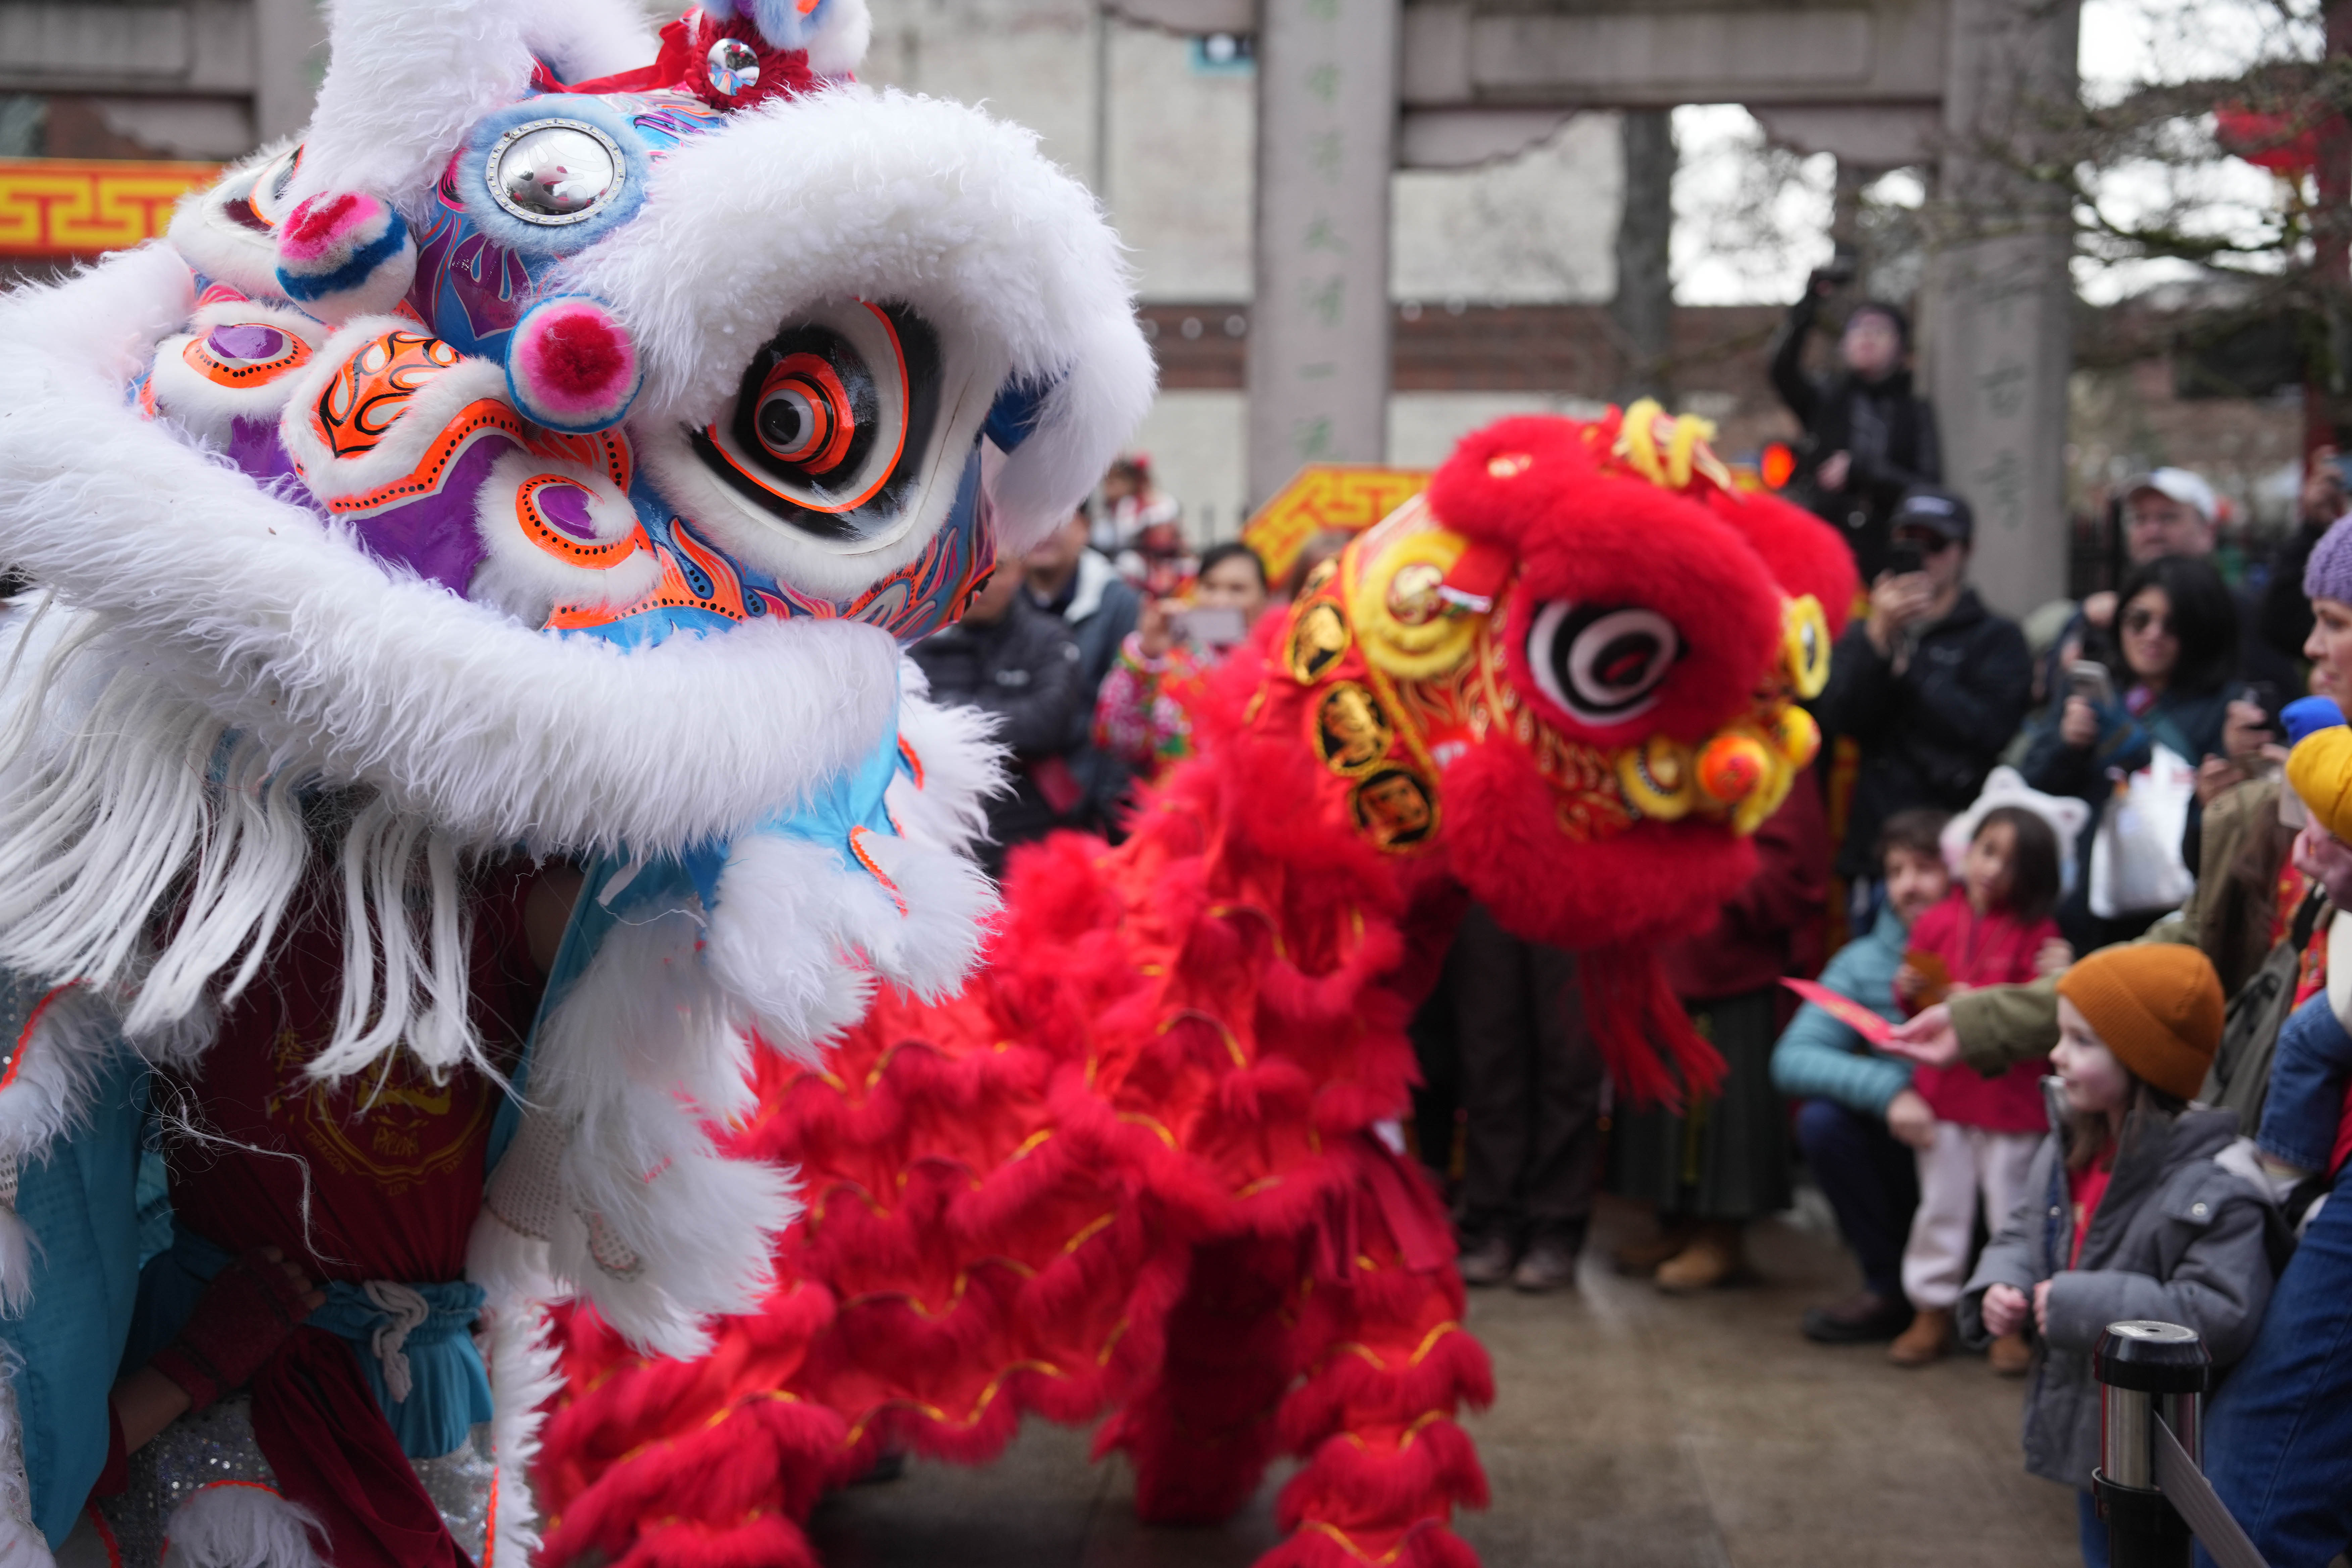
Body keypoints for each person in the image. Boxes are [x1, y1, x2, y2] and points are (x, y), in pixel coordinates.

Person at [1956, 944, 2273, 1568]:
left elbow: (2218, 1312)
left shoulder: (2217, 1186)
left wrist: (2073, 1303)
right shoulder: (2073, 1142)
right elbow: (2026, 1229)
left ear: (2142, 1059)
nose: (2055, 1054)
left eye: (2080, 1041)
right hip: (2095, 1425)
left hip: (2163, 1443)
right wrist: (2003, 1281)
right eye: (2060, 1035)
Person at [1610, 780, 1829, 1292]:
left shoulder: (1772, 745)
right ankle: (1678, 1221)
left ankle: (1722, 1233)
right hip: (1668, 938)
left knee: (1726, 1095)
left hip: (1730, 950)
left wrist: (1703, 872)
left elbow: (1791, 861)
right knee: (1666, 1085)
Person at [1885, 806, 2070, 1369]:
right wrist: (1907, 990)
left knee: (2011, 1210)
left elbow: (2044, 1015)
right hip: (1946, 1096)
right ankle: (1930, 1308)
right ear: (1965, 851)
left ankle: (2007, 1321)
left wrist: (2057, 978)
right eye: (1987, 849)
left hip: (2009, 1102)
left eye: (2012, 861)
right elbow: (1918, 1007)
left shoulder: (2041, 935)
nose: (1992, 868)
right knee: (1940, 1207)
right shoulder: (1936, 921)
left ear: (2035, 874)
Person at [1776, 808, 1952, 1345]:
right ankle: (1888, 1287)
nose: (1908, 886)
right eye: (1896, 872)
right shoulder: (1863, 962)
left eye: (1924, 868)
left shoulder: (2004, 947)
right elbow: (1793, 1057)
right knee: (1823, 1124)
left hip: (1990, 1139)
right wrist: (1890, 1092)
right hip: (1907, 1140)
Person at [1816, 485, 2034, 915]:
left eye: (1935, 544)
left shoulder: (1997, 638)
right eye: (1908, 543)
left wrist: (1911, 670)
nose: (1923, 557)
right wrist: (1877, 642)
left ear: (1965, 551)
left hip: (1953, 852)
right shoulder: (1867, 632)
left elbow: (1987, 730)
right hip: (1878, 852)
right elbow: (1836, 718)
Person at [2021, 554, 2244, 950]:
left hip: (2176, 915)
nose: (2152, 635)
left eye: (2173, 625)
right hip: (2084, 911)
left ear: (2202, 628)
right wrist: (2067, 745)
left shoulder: (2227, 709)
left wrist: (2214, 785)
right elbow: (2030, 787)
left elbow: (2230, 832)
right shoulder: (2092, 688)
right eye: (2139, 620)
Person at [1446, 906, 1606, 1294]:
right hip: (1489, 880)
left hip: (1573, 879)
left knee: (1569, 1054)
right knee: (1489, 1052)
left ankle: (1556, 1227)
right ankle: (1491, 1221)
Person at [911, 565, 1084, 876]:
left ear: (1021, 571)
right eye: (971, 567)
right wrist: (1003, 715)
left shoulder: (1048, 637)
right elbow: (905, 721)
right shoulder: (920, 637)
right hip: (939, 824)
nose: (982, 583)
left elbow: (1047, 723)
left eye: (998, 569)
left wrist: (951, 711)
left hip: (1029, 827)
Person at [1769, 274, 1940, 581]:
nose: (1867, 337)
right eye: (1859, 329)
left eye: (1880, 331)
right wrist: (1808, 305)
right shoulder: (1826, 397)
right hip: (1824, 546)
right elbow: (1781, 370)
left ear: (1901, 350)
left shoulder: (1914, 411)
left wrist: (1862, 473)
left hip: (1885, 555)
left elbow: (1926, 487)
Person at [1093, 542, 1271, 780]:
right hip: (1176, 806)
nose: (1220, 602)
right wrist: (1147, 656)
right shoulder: (1169, 658)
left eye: (1237, 590)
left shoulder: (1282, 662)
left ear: (1265, 597)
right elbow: (1116, 740)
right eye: (1209, 587)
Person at [1024, 507, 1143, 834]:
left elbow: (1126, 715)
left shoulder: (1121, 605)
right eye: (1030, 519)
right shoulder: (998, 595)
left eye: (1056, 519)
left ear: (1085, 528)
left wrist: (1104, 805)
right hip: (1014, 808)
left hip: (1091, 809)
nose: (1042, 532)